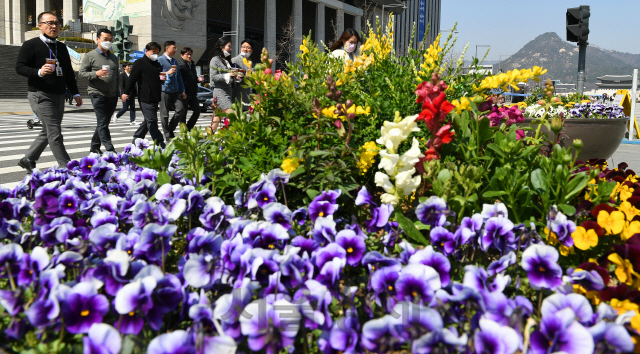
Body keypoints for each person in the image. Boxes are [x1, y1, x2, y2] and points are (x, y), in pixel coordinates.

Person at [15, 11, 82, 173]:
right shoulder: (30, 45)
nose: (54, 26)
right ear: (40, 25)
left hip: (59, 95)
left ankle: (28, 159)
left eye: (56, 23)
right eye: (49, 23)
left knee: (49, 130)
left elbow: (68, 73)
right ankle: (66, 167)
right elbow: (19, 67)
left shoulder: (61, 47)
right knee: (55, 132)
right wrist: (38, 71)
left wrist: (76, 93)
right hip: (40, 94)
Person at [79, 28, 120, 155]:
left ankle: (94, 146)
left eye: (110, 39)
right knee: (102, 122)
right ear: (97, 39)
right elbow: (81, 73)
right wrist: (96, 73)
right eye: (105, 39)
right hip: (97, 93)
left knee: (104, 123)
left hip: (112, 94)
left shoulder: (113, 57)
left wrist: (119, 91)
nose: (108, 42)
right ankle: (110, 149)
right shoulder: (90, 56)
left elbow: (116, 76)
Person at [123, 42, 165, 148]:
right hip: (145, 96)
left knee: (148, 120)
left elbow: (158, 78)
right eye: (153, 52)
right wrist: (126, 92)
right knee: (152, 121)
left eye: (157, 52)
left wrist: (162, 79)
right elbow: (132, 79)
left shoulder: (157, 64)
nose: (155, 54)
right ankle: (160, 143)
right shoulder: (140, 63)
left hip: (155, 96)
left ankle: (137, 138)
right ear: (146, 51)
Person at [157, 40, 186, 141]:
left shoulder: (174, 61)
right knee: (164, 115)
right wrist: (166, 73)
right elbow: (155, 75)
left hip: (175, 91)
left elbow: (179, 77)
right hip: (164, 90)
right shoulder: (159, 60)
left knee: (180, 109)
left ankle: (170, 129)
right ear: (167, 48)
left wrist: (182, 90)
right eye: (174, 48)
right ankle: (167, 136)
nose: (175, 50)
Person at [209, 37, 239, 132]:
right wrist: (228, 74)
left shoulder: (226, 61)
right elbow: (213, 77)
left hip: (227, 91)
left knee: (217, 118)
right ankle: (228, 136)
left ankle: (210, 137)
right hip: (220, 92)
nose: (230, 49)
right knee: (233, 114)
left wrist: (236, 77)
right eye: (229, 46)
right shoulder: (215, 60)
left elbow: (228, 77)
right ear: (221, 47)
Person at [177, 47, 201, 129]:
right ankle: (183, 132)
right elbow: (178, 79)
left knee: (197, 110)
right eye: (187, 54)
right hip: (184, 93)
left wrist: (198, 80)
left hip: (193, 93)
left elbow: (193, 78)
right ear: (182, 55)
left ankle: (188, 128)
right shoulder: (180, 65)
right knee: (183, 114)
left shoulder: (193, 65)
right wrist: (181, 91)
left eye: (190, 54)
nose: (189, 56)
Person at [231, 39, 253, 111]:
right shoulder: (234, 61)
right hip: (238, 97)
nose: (245, 49)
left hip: (249, 99)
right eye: (243, 47)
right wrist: (243, 76)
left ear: (251, 51)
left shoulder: (252, 63)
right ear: (240, 48)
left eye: (248, 47)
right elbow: (232, 79)